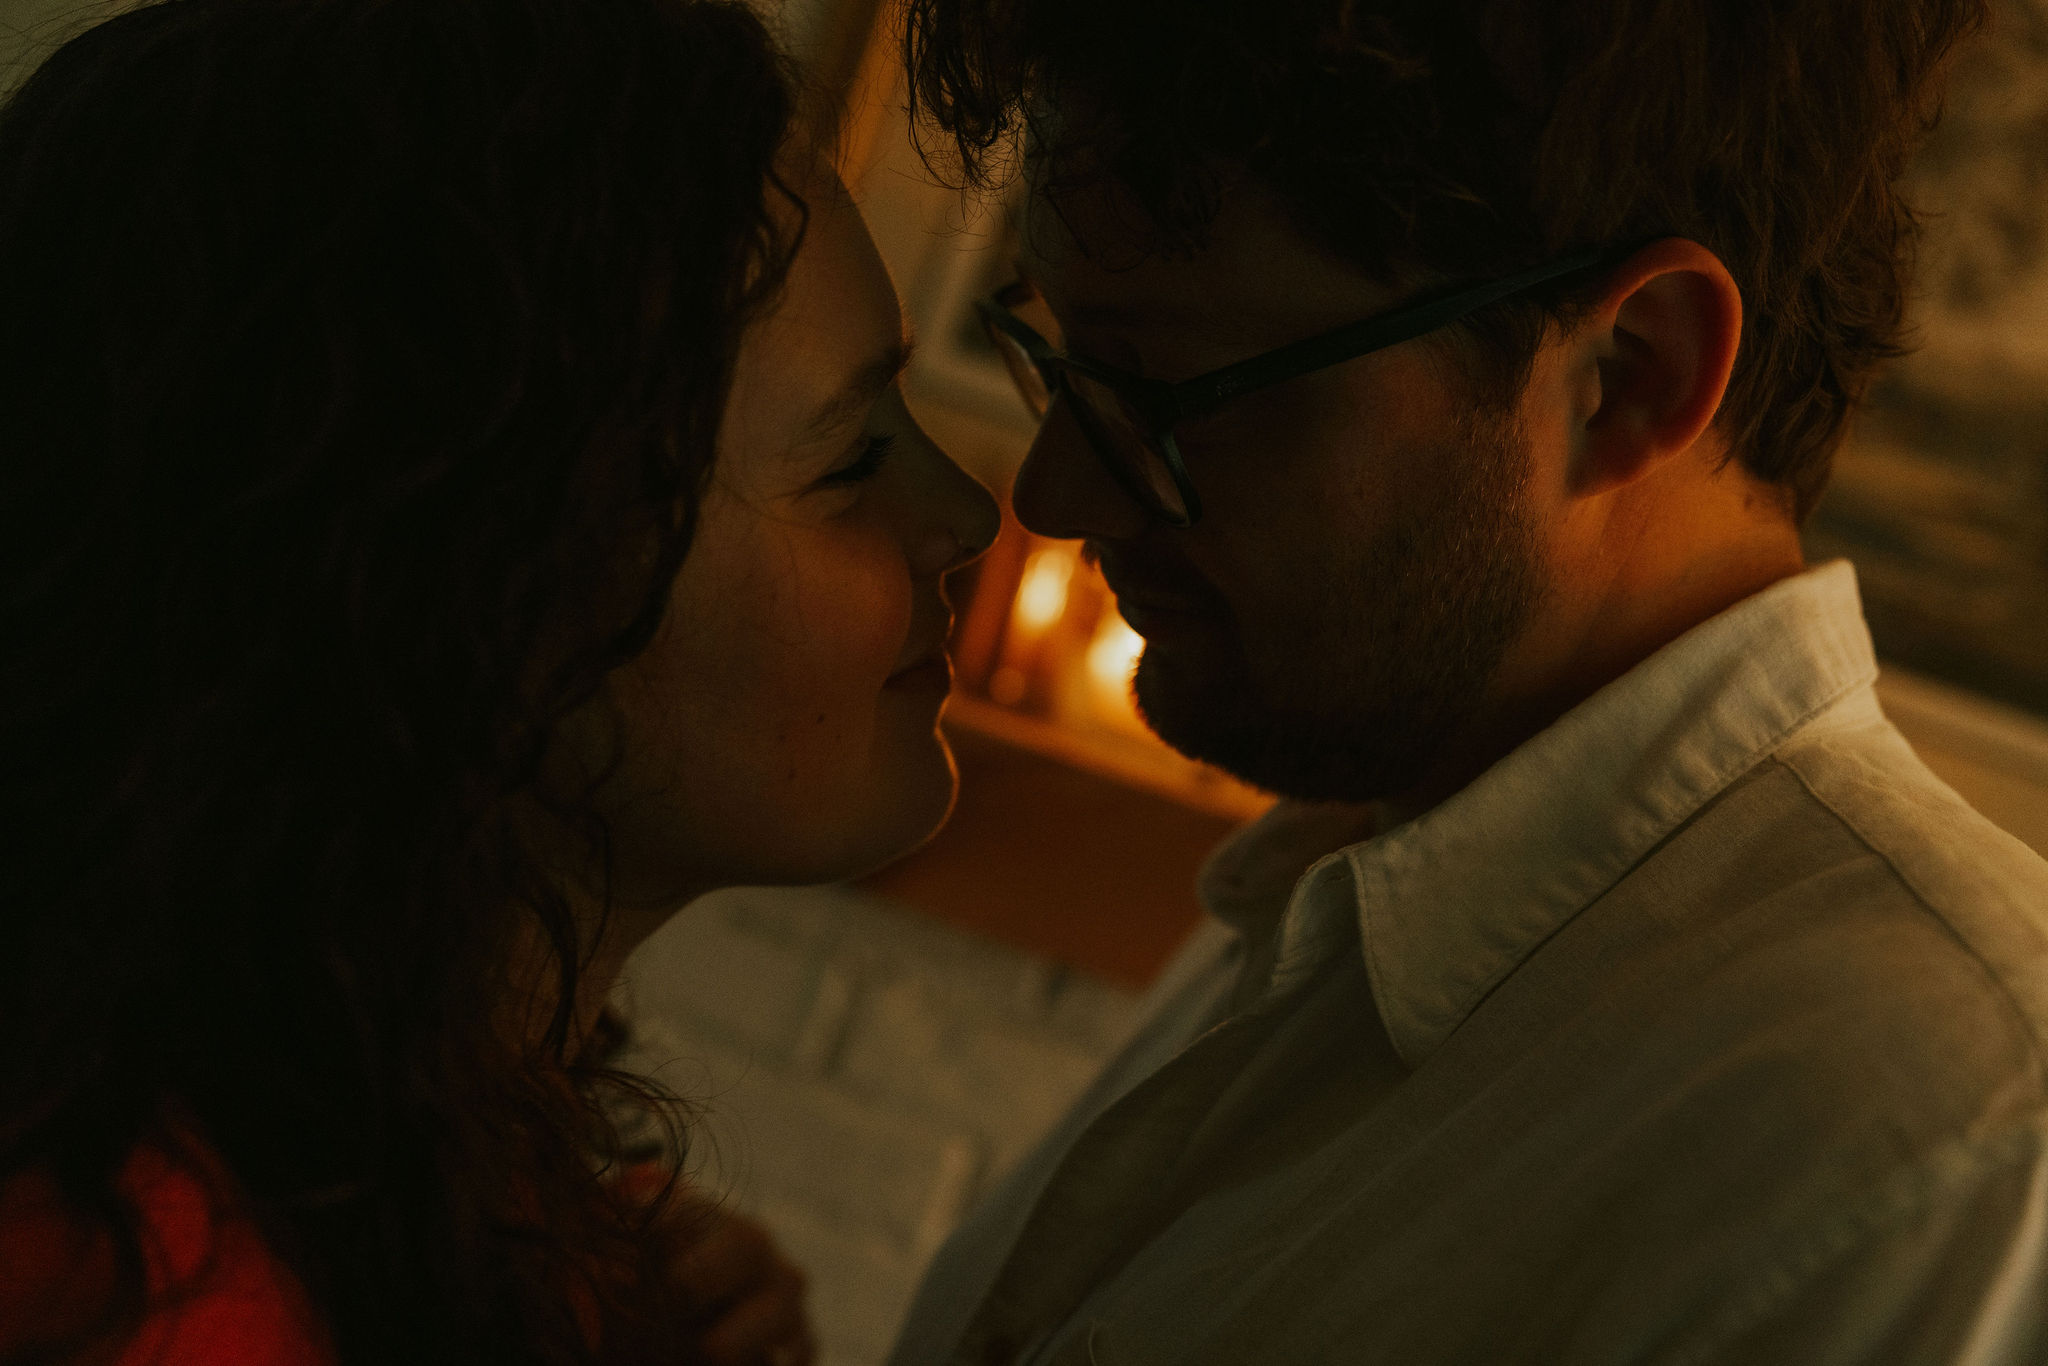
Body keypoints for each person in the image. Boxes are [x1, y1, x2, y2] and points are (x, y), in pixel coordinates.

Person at [885, 1, 2048, 1362]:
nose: (1057, 490)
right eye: (1061, 359)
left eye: (1164, 395)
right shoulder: (1357, 859)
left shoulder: (1944, 1143)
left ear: (1629, 374)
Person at [0, 0, 998, 1362]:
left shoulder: (454, 1189)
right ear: (470, 582)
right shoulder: (141, 1291)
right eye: (847, 463)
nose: (971, 520)